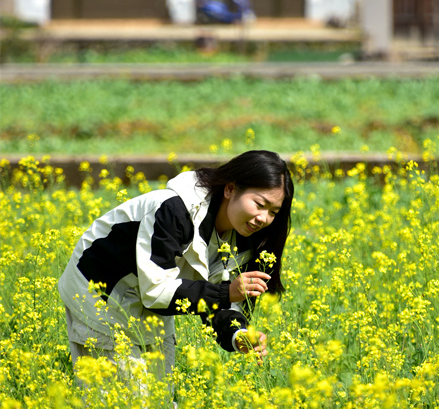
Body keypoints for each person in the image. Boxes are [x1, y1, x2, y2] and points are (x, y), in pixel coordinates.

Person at [59, 150, 294, 382]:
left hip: (153, 302)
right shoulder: (173, 210)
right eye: (259, 204)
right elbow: (157, 292)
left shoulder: (244, 239)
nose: (263, 218)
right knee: (123, 399)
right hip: (99, 294)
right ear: (230, 189)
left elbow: (219, 300)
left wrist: (238, 334)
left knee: (160, 396)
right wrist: (226, 292)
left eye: (273, 212)